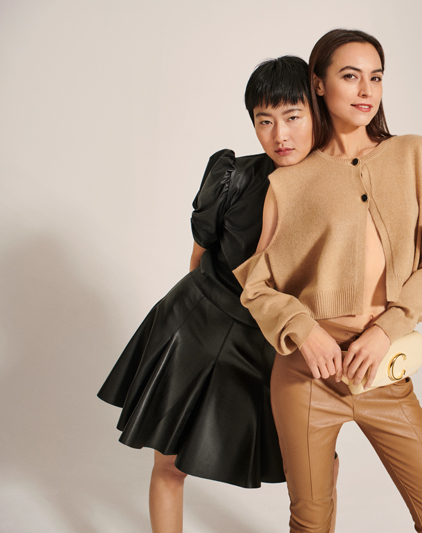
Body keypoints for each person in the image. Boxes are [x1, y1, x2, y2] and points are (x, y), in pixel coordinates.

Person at [234, 29, 422, 532]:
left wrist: (387, 329)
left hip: (381, 368)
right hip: (306, 375)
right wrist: (303, 330)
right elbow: (257, 285)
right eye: (350, 76)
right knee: (311, 522)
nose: (366, 90)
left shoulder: (414, 155)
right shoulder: (288, 179)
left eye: (375, 78)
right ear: (318, 84)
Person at [97, 56, 338, 533]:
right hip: (199, 325)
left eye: (293, 116)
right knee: (170, 462)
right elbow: (199, 257)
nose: (280, 135)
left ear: (317, 110)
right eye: (264, 121)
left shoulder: (342, 187)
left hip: (279, 342)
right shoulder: (233, 176)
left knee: (316, 466)